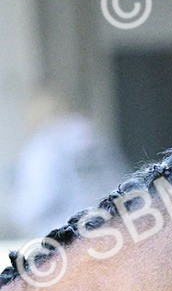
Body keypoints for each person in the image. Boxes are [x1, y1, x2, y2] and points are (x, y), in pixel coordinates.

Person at [8, 88, 124, 238]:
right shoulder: (96, 137)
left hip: (66, 237)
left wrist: (16, 212)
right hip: (110, 228)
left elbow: (40, 199)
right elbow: (121, 178)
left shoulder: (45, 144)